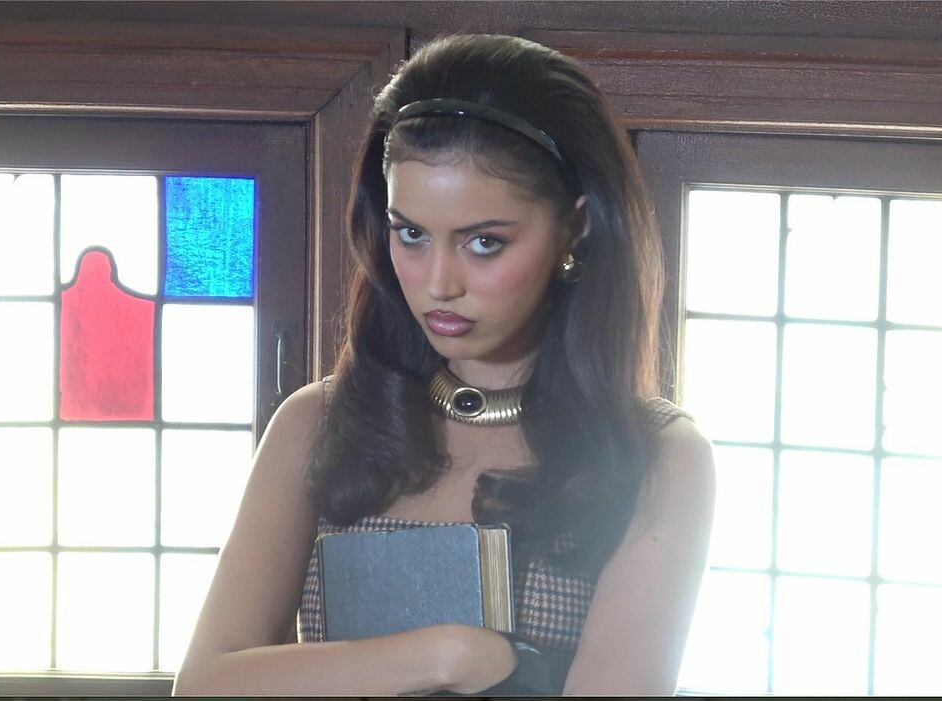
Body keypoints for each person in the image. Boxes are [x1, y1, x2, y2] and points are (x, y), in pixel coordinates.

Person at [172, 33, 715, 697]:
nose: (438, 284)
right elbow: (204, 685)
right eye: (411, 233)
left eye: (484, 242)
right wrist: (452, 655)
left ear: (574, 229)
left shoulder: (656, 455)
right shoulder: (318, 422)